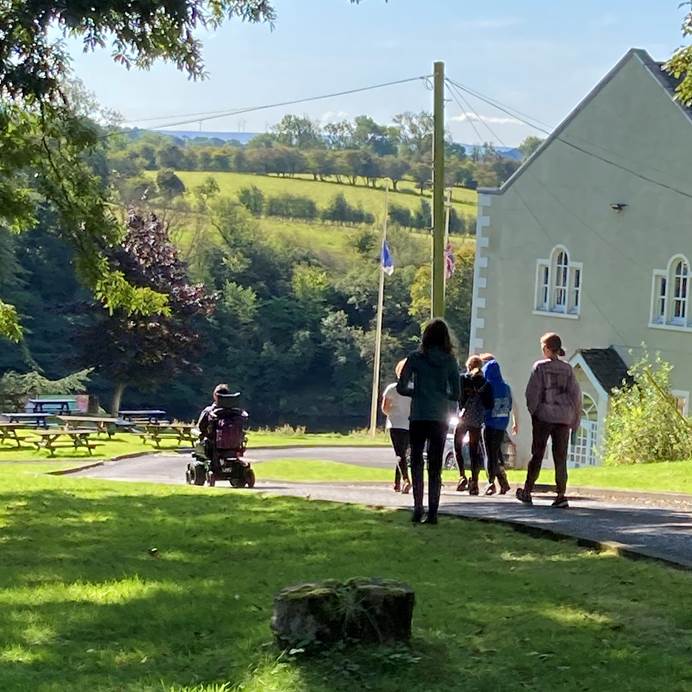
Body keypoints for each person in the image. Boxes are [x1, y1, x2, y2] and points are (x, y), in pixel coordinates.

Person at [397, 319, 460, 525]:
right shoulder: (450, 361)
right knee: (435, 464)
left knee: (416, 460)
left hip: (419, 415)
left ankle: (418, 507)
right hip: (439, 417)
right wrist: (441, 393)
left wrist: (418, 392)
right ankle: (433, 512)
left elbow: (401, 387)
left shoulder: (415, 358)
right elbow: (456, 393)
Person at [517, 332, 581, 508]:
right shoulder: (567, 369)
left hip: (544, 415)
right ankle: (561, 494)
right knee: (560, 456)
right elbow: (576, 394)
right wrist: (575, 417)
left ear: (546, 348)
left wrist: (534, 410)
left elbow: (532, 392)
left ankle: (528, 490)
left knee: (537, 453)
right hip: (564, 417)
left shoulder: (539, 367)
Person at [455, 355, 493, 495]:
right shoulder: (485, 383)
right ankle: (475, 482)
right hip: (477, 419)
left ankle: (462, 476)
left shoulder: (463, 379)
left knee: (457, 446)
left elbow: (458, 396)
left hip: (463, 418)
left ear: (468, 366)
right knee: (473, 450)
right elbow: (490, 404)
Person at [481, 358, 516, 495]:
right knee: (495, 453)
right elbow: (510, 404)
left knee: (489, 454)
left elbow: (485, 405)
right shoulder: (506, 387)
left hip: (489, 423)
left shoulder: (487, 386)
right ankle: (503, 482)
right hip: (502, 424)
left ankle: (490, 482)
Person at [381, 359, 412, 494]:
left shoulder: (392, 388)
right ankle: (396, 483)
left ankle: (405, 479)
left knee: (399, 454)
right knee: (403, 454)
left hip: (395, 424)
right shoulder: (414, 388)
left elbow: (385, 408)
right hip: (411, 424)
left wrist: (393, 412)